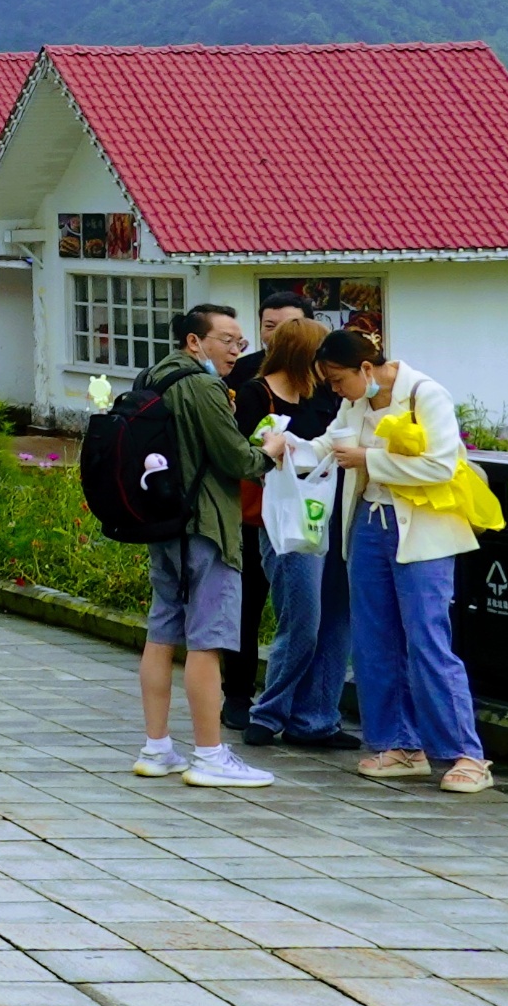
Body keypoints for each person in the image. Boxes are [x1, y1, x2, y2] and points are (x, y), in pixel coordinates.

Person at [316, 327, 491, 792]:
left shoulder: (425, 393)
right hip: (369, 523)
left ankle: (466, 754)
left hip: (423, 528)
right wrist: (282, 448)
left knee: (426, 638)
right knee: (373, 639)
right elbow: (330, 443)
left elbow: (440, 464)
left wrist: (369, 459)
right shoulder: (355, 402)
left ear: (366, 368)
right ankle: (399, 744)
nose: (336, 390)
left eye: (338, 380)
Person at [134, 305, 277, 787]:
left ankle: (156, 749)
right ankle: (211, 756)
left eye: (240, 342)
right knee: (208, 640)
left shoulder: (153, 377)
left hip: (164, 523)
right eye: (226, 340)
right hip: (208, 526)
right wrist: (269, 452)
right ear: (194, 342)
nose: (236, 350)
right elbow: (236, 459)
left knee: (161, 633)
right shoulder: (201, 384)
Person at [234, 315, 355, 750]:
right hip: (285, 519)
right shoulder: (256, 394)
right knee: (303, 618)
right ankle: (268, 713)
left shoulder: (328, 395)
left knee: (336, 619)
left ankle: (316, 719)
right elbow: (246, 453)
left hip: (332, 514)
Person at [226, 289, 314, 655]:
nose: (277, 334)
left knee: (303, 611)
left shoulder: (323, 379)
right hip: (255, 508)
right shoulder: (244, 374)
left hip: (309, 510)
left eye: (289, 325)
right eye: (269, 325)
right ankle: (238, 685)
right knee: (246, 602)